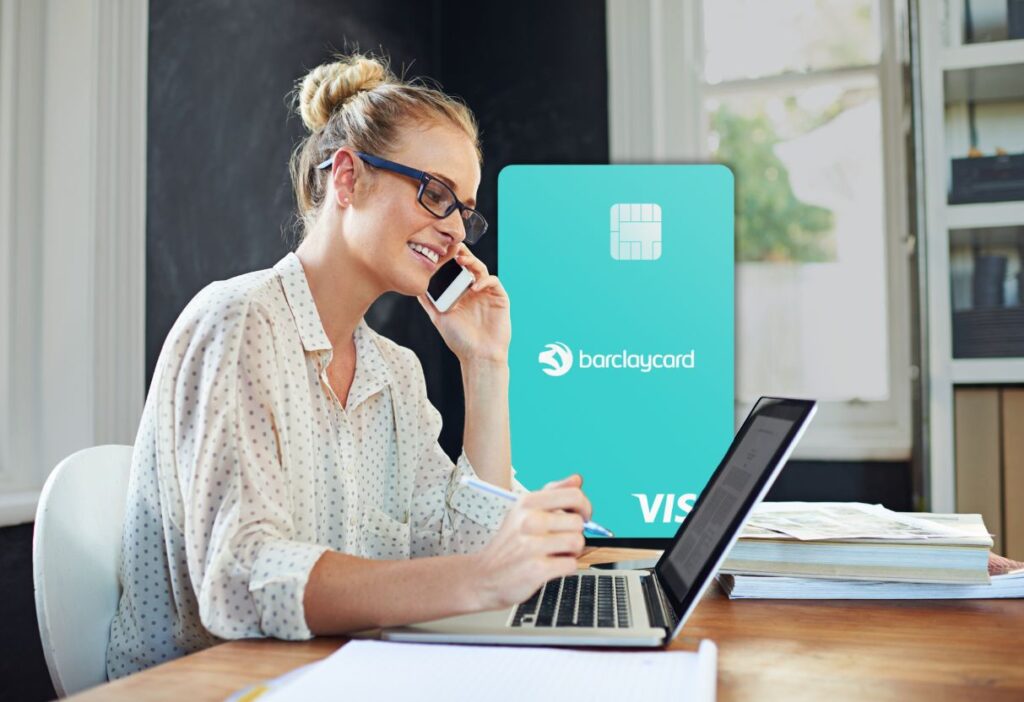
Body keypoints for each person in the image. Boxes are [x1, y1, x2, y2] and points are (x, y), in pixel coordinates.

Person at [106, 53, 591, 679]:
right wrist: (479, 577)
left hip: (338, 676)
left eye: (463, 210)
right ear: (346, 179)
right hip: (209, 686)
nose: (455, 233)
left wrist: (485, 364)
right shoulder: (238, 323)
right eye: (436, 194)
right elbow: (237, 578)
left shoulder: (394, 372)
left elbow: (464, 556)